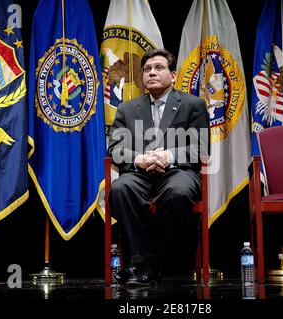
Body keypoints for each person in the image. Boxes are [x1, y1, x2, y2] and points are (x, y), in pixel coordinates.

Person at [108, 49, 210, 286]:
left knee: (179, 192)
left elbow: (201, 149)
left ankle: (145, 264)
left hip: (178, 171)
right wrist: (140, 159)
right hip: (139, 173)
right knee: (121, 189)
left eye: (158, 67)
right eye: (147, 69)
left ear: (173, 76)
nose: (151, 72)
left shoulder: (192, 104)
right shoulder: (127, 108)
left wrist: (168, 154)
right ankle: (147, 264)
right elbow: (115, 150)